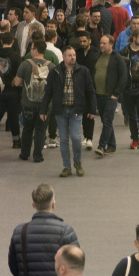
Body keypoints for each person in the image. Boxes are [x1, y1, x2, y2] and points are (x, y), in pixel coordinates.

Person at [48, 46, 97, 178]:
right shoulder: (55, 72)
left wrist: (93, 109)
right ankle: (66, 167)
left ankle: (78, 162)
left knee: (76, 138)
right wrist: (43, 110)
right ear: (63, 57)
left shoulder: (83, 71)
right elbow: (48, 92)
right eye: (69, 55)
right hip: (61, 111)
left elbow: (90, 91)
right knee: (63, 139)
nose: (73, 57)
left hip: (76, 110)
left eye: (74, 55)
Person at [15, 41, 54, 164]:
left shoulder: (25, 64)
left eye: (31, 49)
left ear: (35, 50)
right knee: (41, 130)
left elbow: (17, 83)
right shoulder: (51, 66)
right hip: (45, 105)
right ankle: (38, 155)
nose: (30, 51)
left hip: (28, 103)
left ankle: (24, 154)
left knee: (27, 128)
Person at [116, 25, 139, 150]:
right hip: (128, 88)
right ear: (134, 38)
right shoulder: (124, 52)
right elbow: (120, 70)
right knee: (131, 115)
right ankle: (134, 139)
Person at [87, 34, 121, 156]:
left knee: (107, 120)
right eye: (100, 43)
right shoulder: (97, 56)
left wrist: (116, 93)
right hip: (98, 94)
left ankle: (101, 145)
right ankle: (112, 145)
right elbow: (93, 73)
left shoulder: (117, 58)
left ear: (111, 44)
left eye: (104, 43)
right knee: (105, 120)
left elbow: (123, 77)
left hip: (110, 96)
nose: (101, 45)